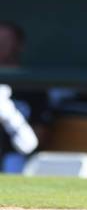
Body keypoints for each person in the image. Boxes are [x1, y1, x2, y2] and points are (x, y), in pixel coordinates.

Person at [0, 22, 51, 172]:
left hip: (16, 162)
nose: (1, 45)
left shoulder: (32, 88)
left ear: (19, 45)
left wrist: (10, 116)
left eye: (6, 40)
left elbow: (33, 142)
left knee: (14, 161)